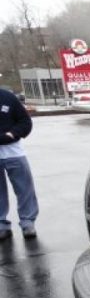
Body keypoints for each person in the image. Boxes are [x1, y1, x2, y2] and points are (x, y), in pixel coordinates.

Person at [0, 88, 38, 240]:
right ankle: (1, 224)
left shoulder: (7, 97)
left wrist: (12, 134)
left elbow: (25, 121)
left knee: (24, 189)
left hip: (14, 153)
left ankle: (27, 222)